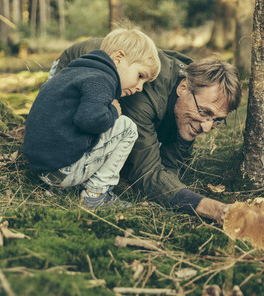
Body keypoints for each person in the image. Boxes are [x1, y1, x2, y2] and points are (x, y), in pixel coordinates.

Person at [51, 38, 242, 223]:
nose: (207, 127)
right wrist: (213, 208)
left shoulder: (197, 87)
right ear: (183, 87)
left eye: (217, 120)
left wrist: (183, 140)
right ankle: (94, 194)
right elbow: (146, 173)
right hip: (71, 68)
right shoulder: (141, 93)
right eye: (204, 112)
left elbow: (169, 167)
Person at [23, 27, 161, 209]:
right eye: (140, 76)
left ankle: (64, 187)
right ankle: (96, 194)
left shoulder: (76, 71)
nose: (140, 88)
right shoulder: (102, 80)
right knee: (127, 127)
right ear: (118, 58)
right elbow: (89, 120)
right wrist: (113, 112)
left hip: (42, 167)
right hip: (62, 170)